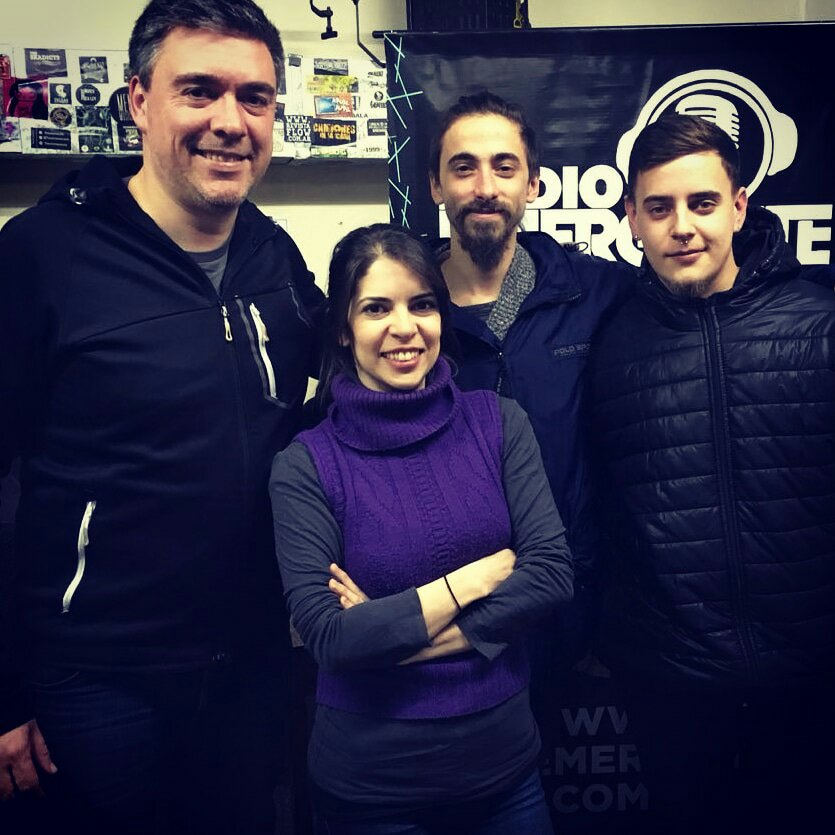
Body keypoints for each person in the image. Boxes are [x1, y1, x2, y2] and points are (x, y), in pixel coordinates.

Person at [0, 1, 324, 833]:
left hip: (250, 666)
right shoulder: (40, 256)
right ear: (139, 100)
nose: (230, 122)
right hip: (96, 681)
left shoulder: (272, 253)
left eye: (254, 97)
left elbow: (344, 392)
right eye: (199, 90)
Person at [270, 223, 573, 834]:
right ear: (343, 327)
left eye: (422, 304)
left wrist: (395, 634)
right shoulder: (305, 465)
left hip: (507, 777)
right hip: (372, 793)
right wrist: (470, 582)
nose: (404, 327)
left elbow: (550, 577)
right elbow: (331, 639)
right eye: (376, 308)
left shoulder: (498, 423)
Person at [589, 114, 835, 834]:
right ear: (631, 218)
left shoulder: (820, 326)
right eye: (659, 207)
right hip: (671, 687)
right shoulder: (607, 345)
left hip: (812, 682)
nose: (683, 227)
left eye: (702, 203)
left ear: (738, 206)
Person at [428, 91, 635, 673]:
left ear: (534, 185)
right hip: (452, 602)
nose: (484, 187)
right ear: (437, 187)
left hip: (571, 599)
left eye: (504, 167)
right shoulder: (406, 309)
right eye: (463, 168)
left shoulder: (597, 294)